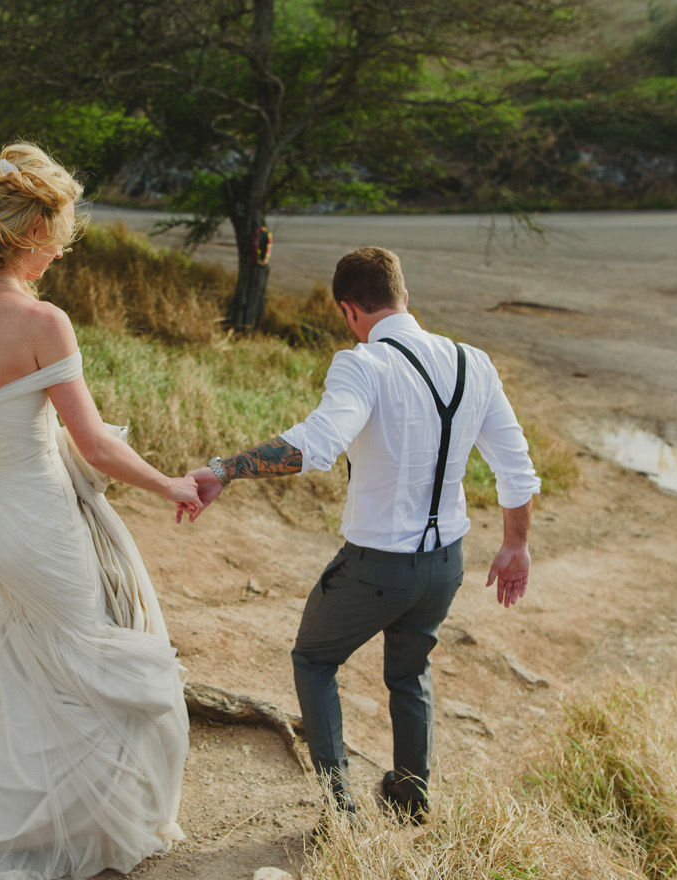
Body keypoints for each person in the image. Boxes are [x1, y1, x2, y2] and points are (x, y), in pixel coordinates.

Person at [0, 143, 202, 880]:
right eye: (57, 234)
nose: (61, 251)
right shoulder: (40, 320)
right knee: (94, 662)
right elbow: (94, 444)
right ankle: (70, 822)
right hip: (37, 520)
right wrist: (172, 484)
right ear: (28, 232)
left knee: (31, 650)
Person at [189, 247, 539, 823]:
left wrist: (226, 468)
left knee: (313, 659)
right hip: (446, 563)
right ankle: (411, 797)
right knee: (410, 670)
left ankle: (339, 806)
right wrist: (516, 544)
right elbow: (517, 468)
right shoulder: (474, 361)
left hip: (375, 567)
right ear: (405, 297)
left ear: (349, 310)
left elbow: (315, 446)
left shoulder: (363, 364)